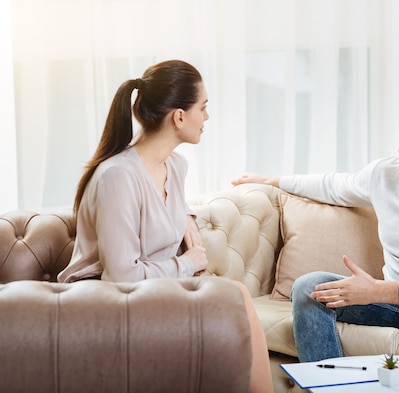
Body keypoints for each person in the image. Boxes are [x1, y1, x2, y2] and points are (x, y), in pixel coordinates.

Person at [232, 90, 399, 363]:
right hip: (395, 307)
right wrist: (271, 180)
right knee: (309, 289)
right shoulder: (384, 175)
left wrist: (379, 290)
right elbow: (334, 186)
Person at [58, 60, 273, 392]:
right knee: (236, 297)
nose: (207, 117)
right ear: (179, 116)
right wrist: (187, 264)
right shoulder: (118, 176)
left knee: (235, 297)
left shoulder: (175, 166)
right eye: (203, 108)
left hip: (149, 293)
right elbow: (121, 277)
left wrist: (186, 219)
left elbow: (165, 209)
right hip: (101, 299)